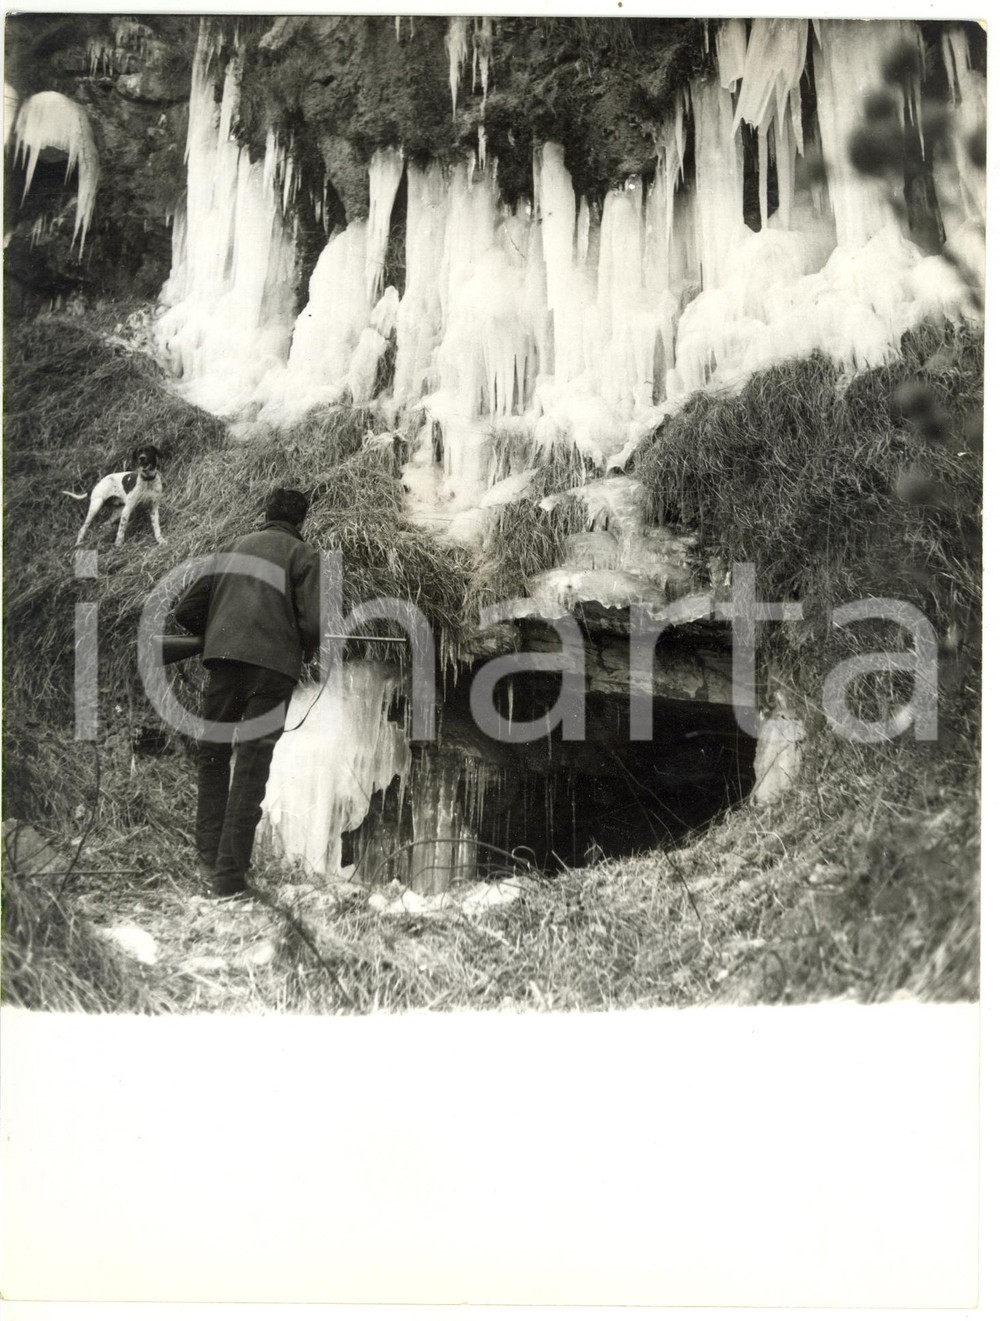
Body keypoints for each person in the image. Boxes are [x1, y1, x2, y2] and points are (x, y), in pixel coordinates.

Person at [174, 487, 320, 896]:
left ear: (265, 512)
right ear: (300, 521)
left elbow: (186, 610)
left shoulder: (231, 548)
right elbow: (312, 625)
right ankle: (229, 877)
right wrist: (302, 650)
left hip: (224, 665)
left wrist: (221, 632)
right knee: (252, 766)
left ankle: (206, 857)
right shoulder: (304, 556)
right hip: (273, 671)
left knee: (214, 757)